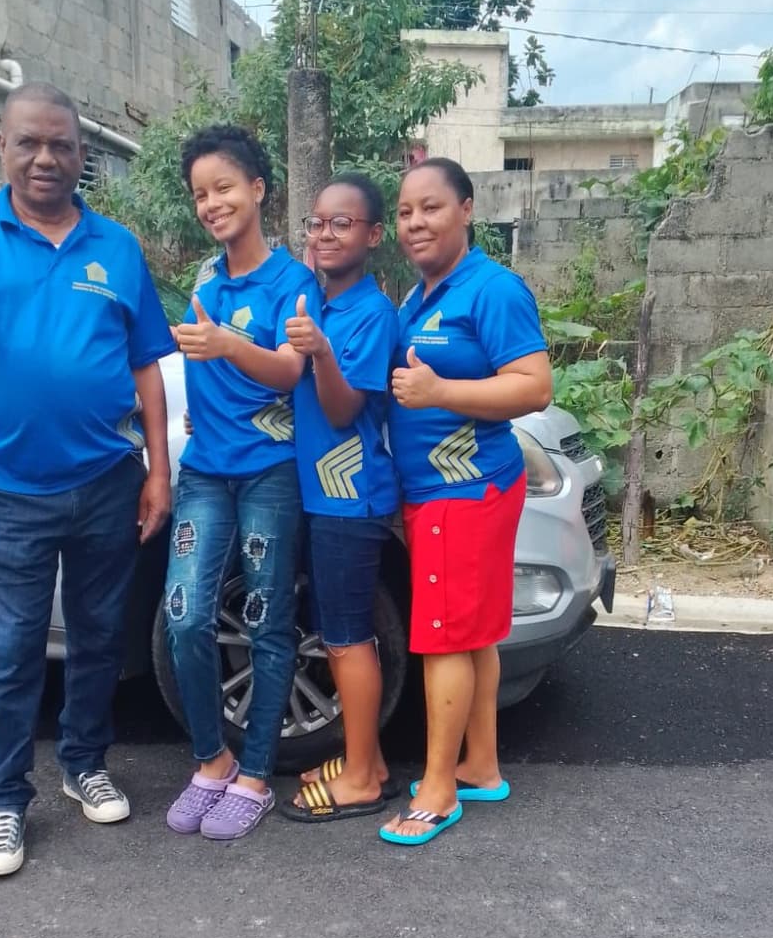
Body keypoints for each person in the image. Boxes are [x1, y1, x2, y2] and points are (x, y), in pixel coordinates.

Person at [0, 81, 173, 878]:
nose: (46, 157)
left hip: (108, 481)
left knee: (96, 641)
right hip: (13, 489)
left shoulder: (116, 245)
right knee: (12, 650)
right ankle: (4, 804)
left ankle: (84, 762)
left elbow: (146, 362)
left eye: (62, 144)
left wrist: (156, 470)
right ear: (1, 145)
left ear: (82, 155)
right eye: (29, 142)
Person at [382, 157, 552, 846]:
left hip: (465, 488)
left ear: (467, 210)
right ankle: (480, 765)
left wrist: (441, 394)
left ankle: (438, 787)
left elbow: (533, 386)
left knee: (445, 636)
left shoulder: (491, 289)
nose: (415, 222)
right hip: (442, 492)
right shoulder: (420, 296)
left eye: (431, 207)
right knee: (474, 631)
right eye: (404, 212)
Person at [163, 124, 320, 841]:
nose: (211, 203)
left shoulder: (293, 281)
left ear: (259, 189)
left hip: (268, 474)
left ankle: (256, 774)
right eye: (200, 193)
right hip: (205, 472)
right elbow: (201, 379)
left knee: (266, 619)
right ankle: (212, 758)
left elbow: (291, 371)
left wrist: (228, 344)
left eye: (223, 187)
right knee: (184, 617)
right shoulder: (203, 280)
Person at [281, 173, 401, 820]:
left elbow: (339, 407)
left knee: (351, 638)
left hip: (350, 500)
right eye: (317, 223)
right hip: (326, 498)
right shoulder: (320, 302)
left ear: (373, 235)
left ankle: (361, 780)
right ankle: (369, 759)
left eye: (342, 224)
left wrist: (321, 352)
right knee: (335, 633)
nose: (325, 234)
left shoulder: (370, 314)